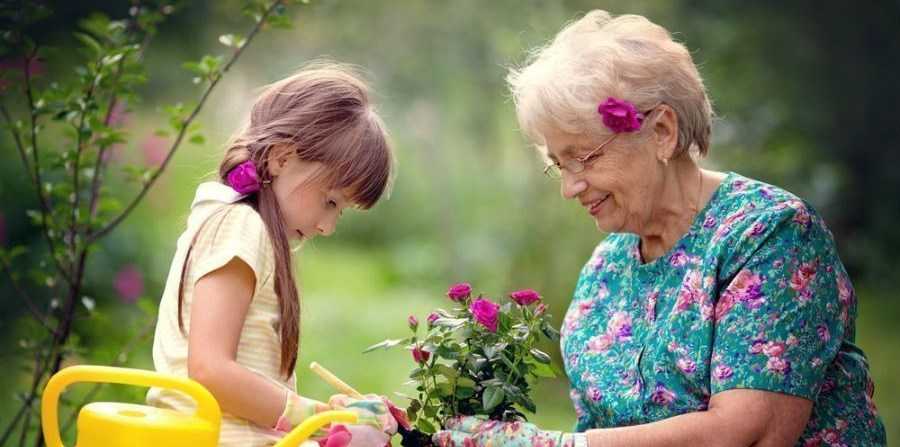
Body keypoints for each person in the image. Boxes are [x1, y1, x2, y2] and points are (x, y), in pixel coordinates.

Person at [435, 10, 886, 447]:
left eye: (584, 157)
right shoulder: (604, 269)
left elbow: (751, 433)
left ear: (662, 132)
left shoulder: (771, 234)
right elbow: (599, 429)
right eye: (559, 165)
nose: (569, 187)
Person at [147, 63, 398, 446]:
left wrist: (327, 417)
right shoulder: (241, 227)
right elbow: (209, 369)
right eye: (329, 201)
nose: (328, 226)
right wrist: (318, 419)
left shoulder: (241, 225)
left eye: (340, 211)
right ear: (281, 158)